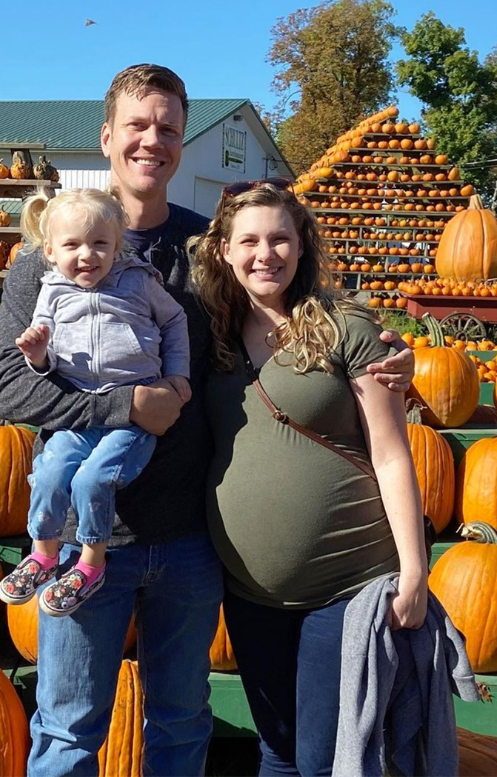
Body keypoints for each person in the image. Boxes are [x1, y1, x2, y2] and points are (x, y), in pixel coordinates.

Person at [0, 64, 416, 777]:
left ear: (182, 142)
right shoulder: (50, 258)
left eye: (168, 129)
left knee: (181, 727)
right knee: (66, 734)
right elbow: (6, 388)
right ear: (107, 137)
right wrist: (125, 406)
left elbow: (286, 329)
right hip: (91, 543)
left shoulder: (202, 251)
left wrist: (391, 363)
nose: (152, 140)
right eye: (137, 125)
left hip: (190, 542)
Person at [191, 182, 429, 777]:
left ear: (302, 247)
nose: (264, 254)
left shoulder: (346, 329)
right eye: (248, 240)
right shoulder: (208, 336)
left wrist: (415, 572)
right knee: (277, 752)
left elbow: (392, 453)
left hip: (344, 587)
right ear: (224, 249)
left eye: (279, 238)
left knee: (325, 758)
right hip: (250, 594)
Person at [0, 188, 191, 617]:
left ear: (117, 245)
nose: (88, 255)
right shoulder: (50, 290)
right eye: (72, 245)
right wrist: (38, 357)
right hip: (80, 416)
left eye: (100, 243)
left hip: (132, 421)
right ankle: (43, 554)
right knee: (48, 471)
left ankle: (90, 564)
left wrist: (178, 375)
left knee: (92, 481)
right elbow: (33, 370)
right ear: (50, 251)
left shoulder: (139, 281)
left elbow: (176, 321)